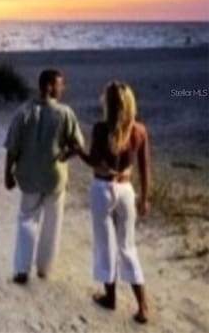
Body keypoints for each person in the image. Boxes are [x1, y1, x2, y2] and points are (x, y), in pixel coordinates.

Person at [73, 81, 151, 324]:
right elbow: (144, 167)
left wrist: (77, 150)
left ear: (109, 103)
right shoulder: (139, 130)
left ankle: (111, 298)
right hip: (126, 190)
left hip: (102, 188)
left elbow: (94, 161)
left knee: (105, 245)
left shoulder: (100, 129)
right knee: (128, 247)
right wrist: (144, 197)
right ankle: (143, 306)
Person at [3, 69, 85, 284]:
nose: (63, 88)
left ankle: (22, 269)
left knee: (26, 220)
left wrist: (8, 174)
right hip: (54, 176)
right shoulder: (65, 112)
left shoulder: (23, 112)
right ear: (50, 86)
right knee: (52, 224)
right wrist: (65, 154)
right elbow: (78, 145)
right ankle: (44, 268)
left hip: (29, 176)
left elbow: (12, 147)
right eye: (60, 84)